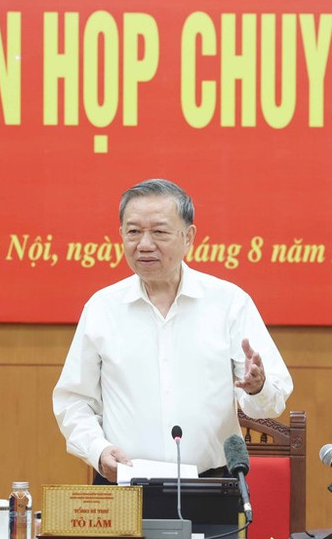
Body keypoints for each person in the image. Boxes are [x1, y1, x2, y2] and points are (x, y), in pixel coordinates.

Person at [53, 178, 293, 483]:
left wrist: (257, 387)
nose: (144, 244)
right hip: (125, 487)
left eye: (159, 232)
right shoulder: (102, 308)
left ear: (189, 236)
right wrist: (97, 449)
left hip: (211, 485)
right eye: (134, 232)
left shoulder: (229, 302)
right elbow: (74, 400)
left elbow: (273, 401)